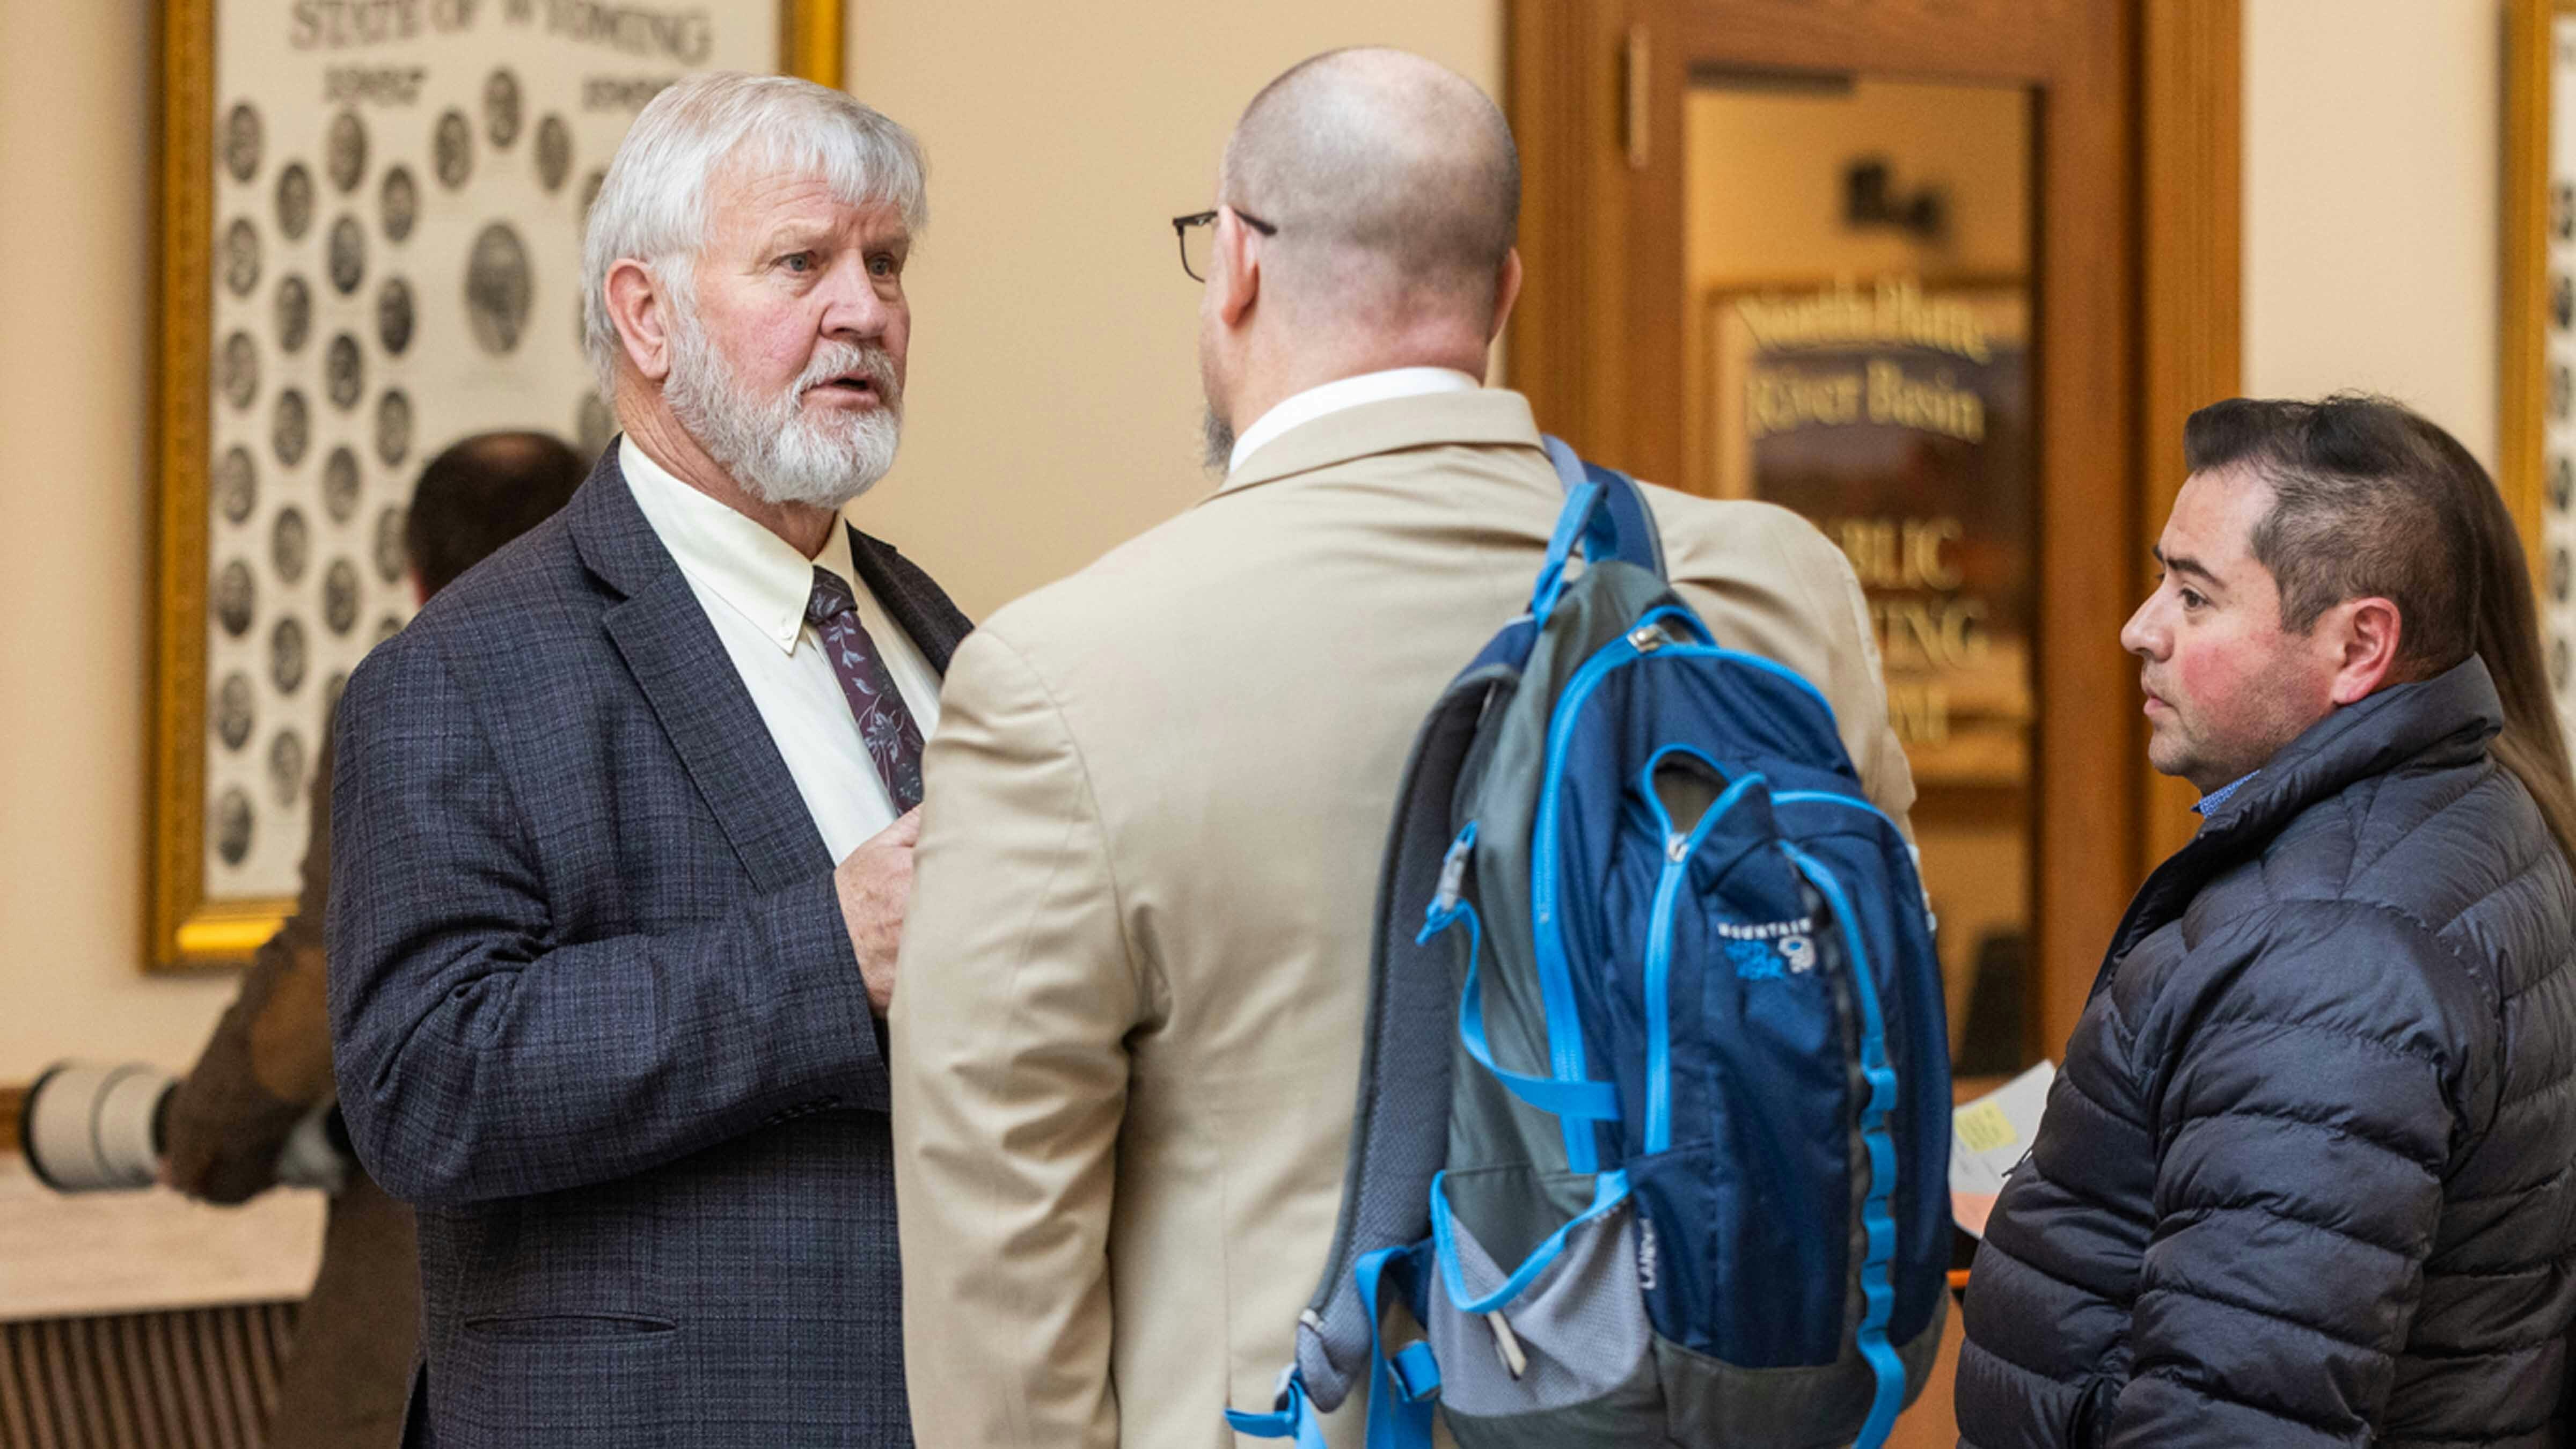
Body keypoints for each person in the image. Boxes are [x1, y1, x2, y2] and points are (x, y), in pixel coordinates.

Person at [889, 48, 1913, 1448]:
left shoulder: (1059, 678)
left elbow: (999, 1265)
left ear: (1235, 266)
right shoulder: (1776, 586)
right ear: (1503, 290)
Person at [327, 72, 967, 1449]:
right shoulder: (459, 676)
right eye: (801, 262)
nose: (862, 309)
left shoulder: (932, 627)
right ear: (646, 314)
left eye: (886, 264)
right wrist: (828, 949)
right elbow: (422, 1085)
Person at [1955, 394, 2576, 1447]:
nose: (2139, 628)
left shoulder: (2330, 955)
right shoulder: (2470, 811)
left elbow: (2235, 1420)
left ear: (2358, 647)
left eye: (2194, 597)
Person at [162, 431, 584, 1449]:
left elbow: (320, 975)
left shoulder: (416, 704)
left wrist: (208, 1142)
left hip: (435, 1322)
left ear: (413, 576)